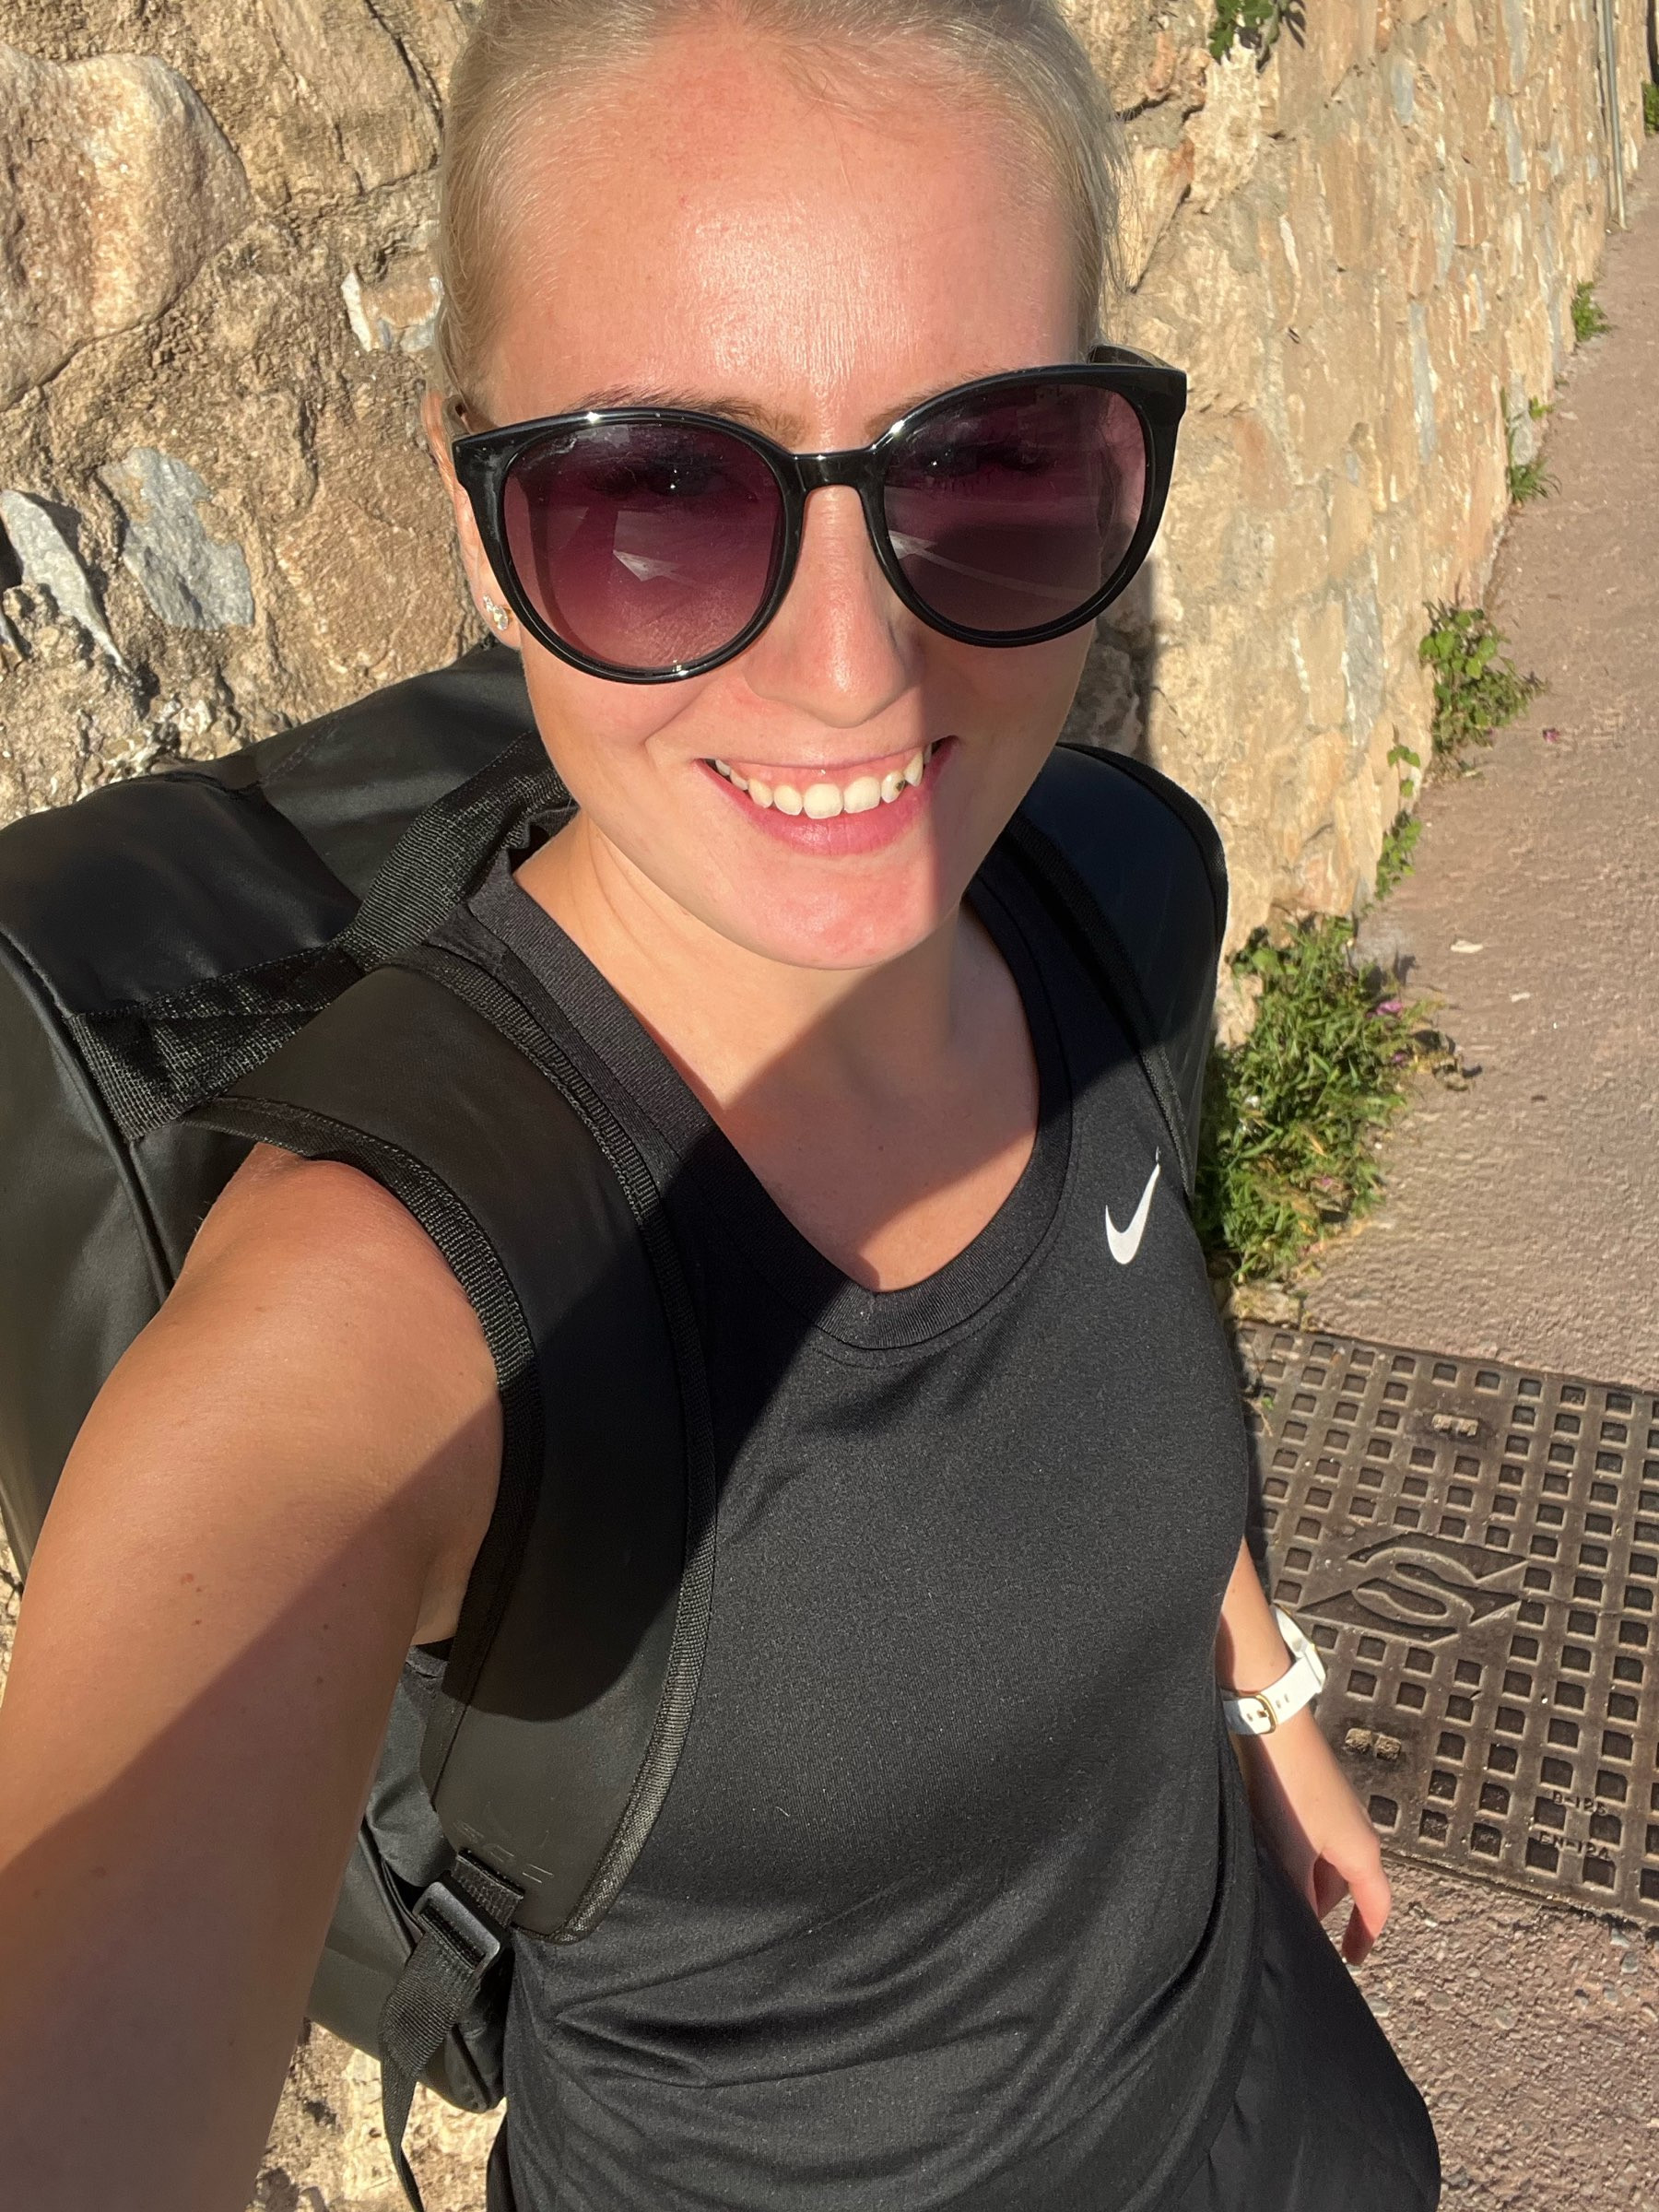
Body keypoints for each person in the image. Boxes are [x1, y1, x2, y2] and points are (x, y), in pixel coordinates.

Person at [0, 3, 1441, 2207]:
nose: (856, 672)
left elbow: (1126, 1361)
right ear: (478, 517)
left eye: (988, 457)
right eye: (654, 492)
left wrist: (1263, 1695)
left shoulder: (1095, 888)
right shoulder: (381, 1301)